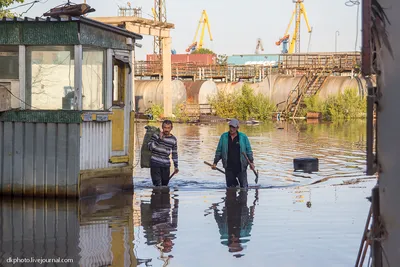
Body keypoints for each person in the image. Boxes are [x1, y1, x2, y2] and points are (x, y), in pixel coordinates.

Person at [212, 118, 255, 188]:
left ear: (237, 128)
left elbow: (249, 151)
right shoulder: (224, 137)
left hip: (241, 167)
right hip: (228, 167)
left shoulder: (243, 137)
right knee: (230, 189)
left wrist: (251, 162)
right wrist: (215, 162)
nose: (231, 129)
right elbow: (219, 151)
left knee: (244, 189)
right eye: (230, 127)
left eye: (233, 127)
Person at [148, 120, 179, 186]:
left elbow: (174, 154)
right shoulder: (156, 135)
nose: (166, 130)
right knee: (157, 186)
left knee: (164, 186)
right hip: (155, 164)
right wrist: (159, 139)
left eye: (168, 128)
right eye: (165, 127)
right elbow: (150, 147)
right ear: (162, 127)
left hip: (166, 166)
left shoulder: (173, 139)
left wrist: (176, 166)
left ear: (171, 128)